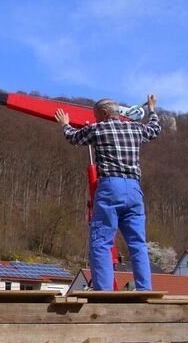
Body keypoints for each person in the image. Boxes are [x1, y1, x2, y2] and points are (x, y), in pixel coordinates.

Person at [55, 95, 160, 291]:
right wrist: (152, 109)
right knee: (138, 242)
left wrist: (65, 124)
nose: (95, 120)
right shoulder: (135, 128)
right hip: (134, 189)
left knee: (101, 240)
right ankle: (145, 289)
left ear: (104, 114)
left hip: (111, 186)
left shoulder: (98, 129)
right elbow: (155, 129)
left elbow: (73, 138)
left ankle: (104, 291)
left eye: (96, 116)